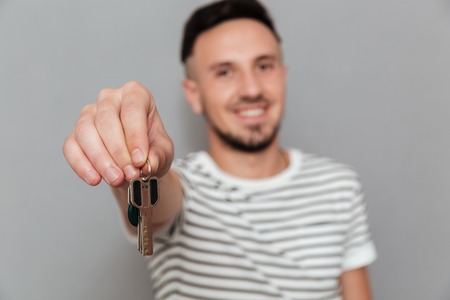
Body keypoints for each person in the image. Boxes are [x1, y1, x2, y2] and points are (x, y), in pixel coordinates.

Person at [63, 0, 377, 299]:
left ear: (283, 76)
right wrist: (147, 161)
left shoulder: (340, 186)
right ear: (194, 94)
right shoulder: (183, 188)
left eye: (264, 66)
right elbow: (158, 203)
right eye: (225, 72)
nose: (252, 89)